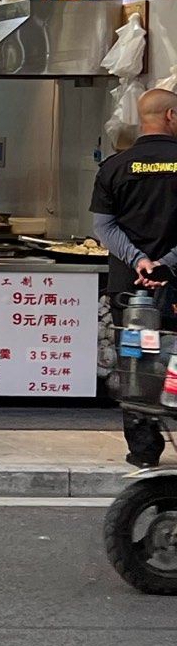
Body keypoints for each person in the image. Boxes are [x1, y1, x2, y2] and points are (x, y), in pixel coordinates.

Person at [91, 87, 177, 467]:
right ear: (171, 116)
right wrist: (165, 264)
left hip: (129, 289)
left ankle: (144, 451)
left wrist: (138, 260)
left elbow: (103, 227)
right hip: (173, 284)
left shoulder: (114, 165)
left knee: (136, 363)